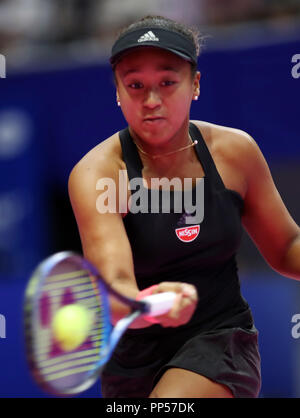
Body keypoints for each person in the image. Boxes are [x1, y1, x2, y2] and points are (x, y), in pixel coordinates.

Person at [68, 15, 300, 398]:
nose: (152, 100)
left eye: (167, 83)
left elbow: (286, 247)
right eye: (135, 85)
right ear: (117, 93)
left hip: (220, 340)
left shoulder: (235, 152)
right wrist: (146, 305)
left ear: (194, 84)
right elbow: (116, 288)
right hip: (132, 363)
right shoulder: (98, 173)